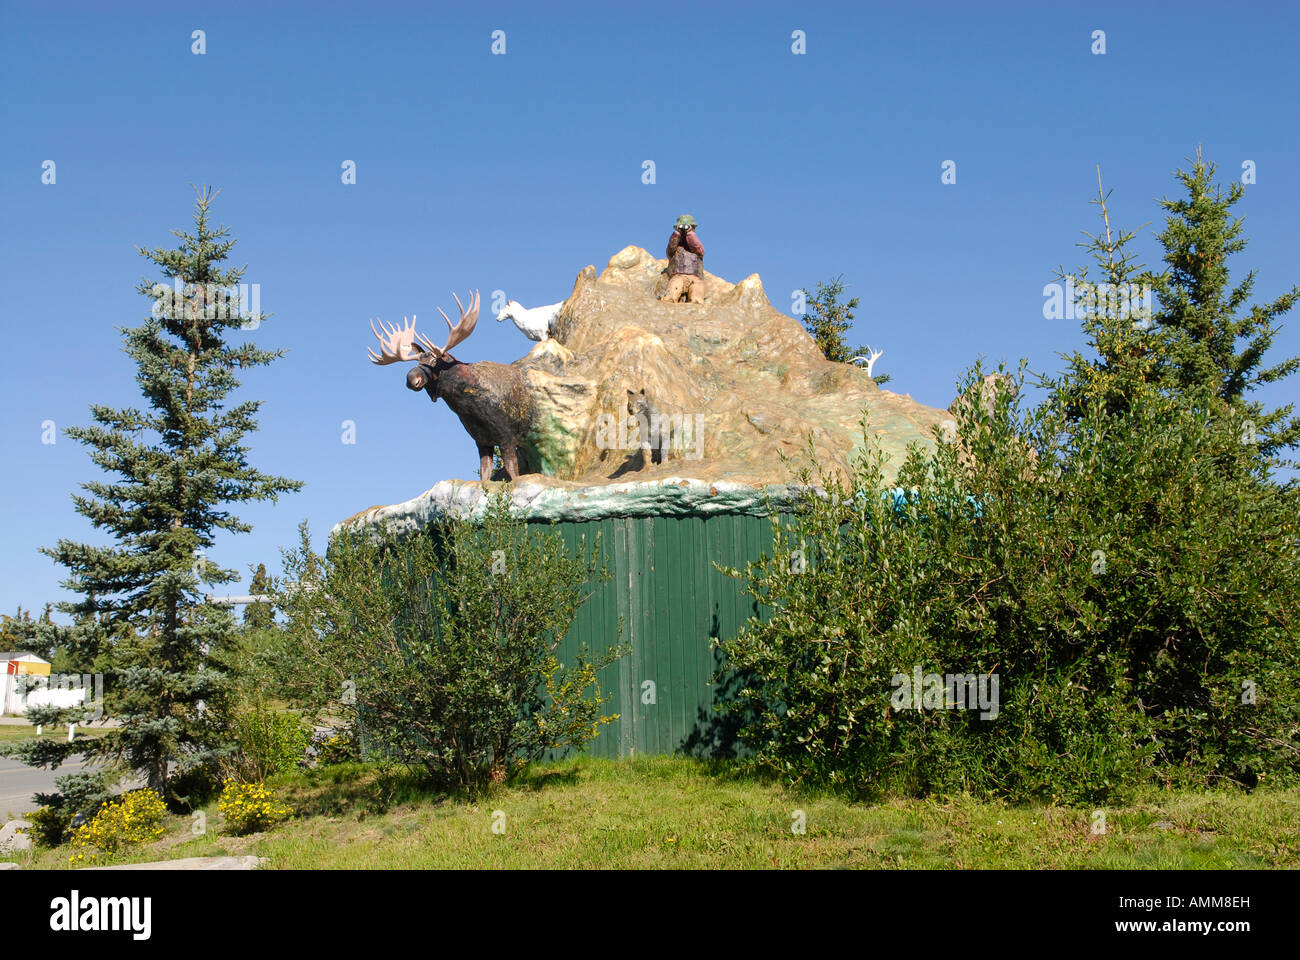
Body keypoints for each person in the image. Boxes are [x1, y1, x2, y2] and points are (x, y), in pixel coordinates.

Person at [661, 214, 706, 302]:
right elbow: (670, 248)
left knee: (697, 295)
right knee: (672, 292)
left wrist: (690, 233)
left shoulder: (697, 250)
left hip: (695, 277)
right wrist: (677, 233)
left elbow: (699, 249)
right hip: (678, 276)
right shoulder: (675, 249)